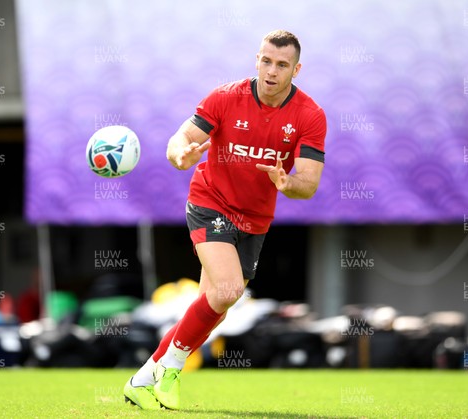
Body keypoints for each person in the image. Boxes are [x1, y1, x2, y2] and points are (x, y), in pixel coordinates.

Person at [124, 29, 326, 411]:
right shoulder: (225, 97)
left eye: (282, 65)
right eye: (266, 61)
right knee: (230, 289)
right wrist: (180, 155)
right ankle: (171, 368)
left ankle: (143, 378)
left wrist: (289, 183)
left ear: (296, 69)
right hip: (210, 202)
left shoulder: (309, 115)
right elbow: (180, 139)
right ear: (257, 60)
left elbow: (309, 184)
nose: (271, 71)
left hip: (255, 219)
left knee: (215, 305)